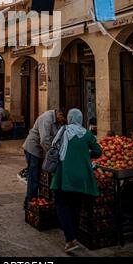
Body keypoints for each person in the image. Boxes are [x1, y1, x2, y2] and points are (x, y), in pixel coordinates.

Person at [51, 108, 102, 253]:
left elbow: (54, 146)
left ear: (69, 118)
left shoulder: (63, 131)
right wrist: (86, 154)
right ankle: (74, 236)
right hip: (81, 177)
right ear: (80, 119)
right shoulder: (87, 134)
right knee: (75, 206)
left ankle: (70, 239)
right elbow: (98, 152)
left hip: (64, 176)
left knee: (61, 205)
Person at [23, 108, 66, 207]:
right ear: (59, 114)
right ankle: (30, 202)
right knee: (33, 176)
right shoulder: (47, 118)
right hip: (33, 149)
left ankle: (33, 199)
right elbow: (44, 140)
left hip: (41, 151)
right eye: (62, 118)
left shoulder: (57, 121)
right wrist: (51, 154)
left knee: (38, 176)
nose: (62, 121)